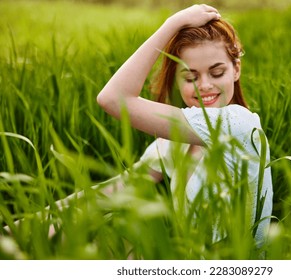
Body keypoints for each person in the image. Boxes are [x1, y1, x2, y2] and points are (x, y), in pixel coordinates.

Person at [98, 4, 274, 248]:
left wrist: (171, 24)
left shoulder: (238, 125)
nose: (204, 86)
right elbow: (118, 187)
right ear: (177, 81)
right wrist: (45, 217)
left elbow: (112, 99)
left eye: (217, 72)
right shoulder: (173, 143)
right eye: (191, 77)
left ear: (236, 69)